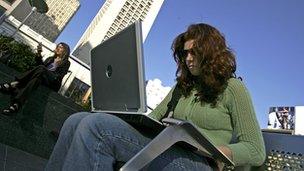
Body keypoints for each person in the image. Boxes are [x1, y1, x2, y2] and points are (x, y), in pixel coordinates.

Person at [45, 23, 266, 170]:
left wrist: (220, 152)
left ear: (210, 52)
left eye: (194, 52)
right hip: (164, 148)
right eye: (184, 53)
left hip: (200, 163)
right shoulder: (182, 87)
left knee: (97, 127)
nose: (188, 59)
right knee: (76, 120)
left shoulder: (233, 88)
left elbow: (256, 149)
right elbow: (155, 119)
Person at [0, 42, 71, 115]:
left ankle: (14, 83)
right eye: (57, 46)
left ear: (65, 51)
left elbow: (59, 76)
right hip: (42, 78)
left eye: (61, 47)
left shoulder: (66, 63)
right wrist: (39, 53)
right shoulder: (50, 59)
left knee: (41, 69)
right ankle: (16, 105)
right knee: (36, 79)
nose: (58, 48)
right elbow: (39, 66)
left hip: (52, 82)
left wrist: (48, 71)